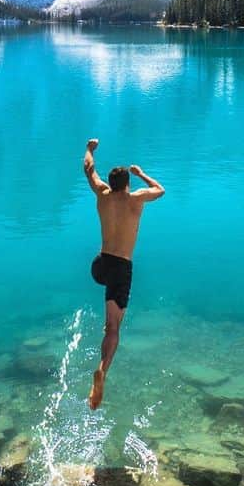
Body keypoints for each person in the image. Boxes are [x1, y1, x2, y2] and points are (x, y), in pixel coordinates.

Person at [82, 137, 165, 409]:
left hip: (100, 266)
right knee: (114, 327)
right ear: (127, 184)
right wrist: (141, 174)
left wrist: (90, 149)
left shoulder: (102, 195)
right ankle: (103, 369)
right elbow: (160, 190)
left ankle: (101, 365)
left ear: (111, 183)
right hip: (120, 268)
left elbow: (88, 169)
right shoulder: (135, 199)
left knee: (109, 320)